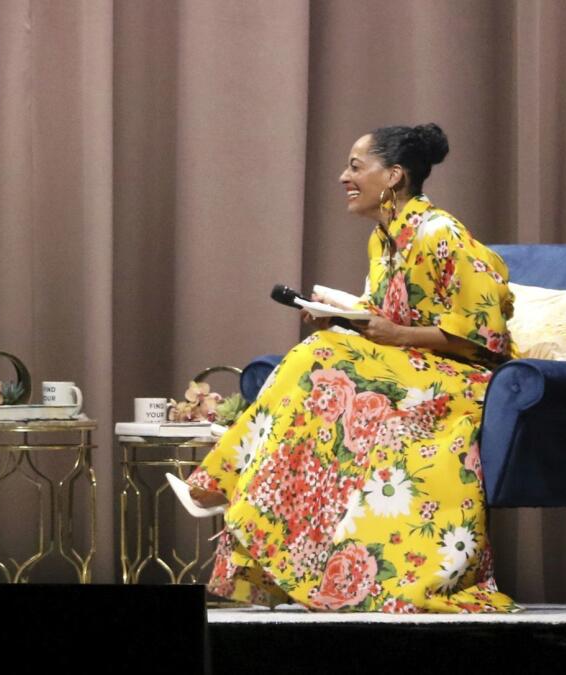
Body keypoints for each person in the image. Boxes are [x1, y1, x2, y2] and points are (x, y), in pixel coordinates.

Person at [181, 123, 518, 613]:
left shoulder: (439, 232)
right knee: (323, 352)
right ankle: (242, 506)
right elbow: (387, 317)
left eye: (356, 167)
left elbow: (487, 337)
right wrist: (345, 315)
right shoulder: (383, 239)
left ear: (395, 176)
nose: (344, 177)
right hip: (408, 369)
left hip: (462, 379)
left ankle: (218, 482)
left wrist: (395, 335)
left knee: (319, 355)